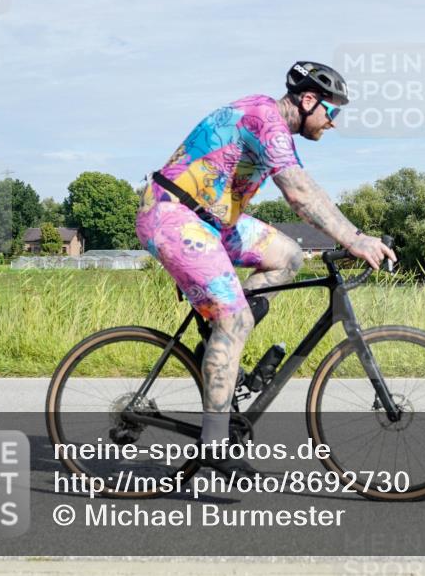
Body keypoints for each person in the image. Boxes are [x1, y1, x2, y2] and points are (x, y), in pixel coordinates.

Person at [135, 61, 396, 476]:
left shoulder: (275, 127)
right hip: (173, 216)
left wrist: (354, 233)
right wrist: (355, 240)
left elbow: (310, 188)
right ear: (309, 100)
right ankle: (214, 444)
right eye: (333, 111)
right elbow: (299, 195)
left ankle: (218, 348)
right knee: (235, 320)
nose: (334, 123)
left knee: (289, 255)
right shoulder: (264, 119)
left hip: (213, 220)